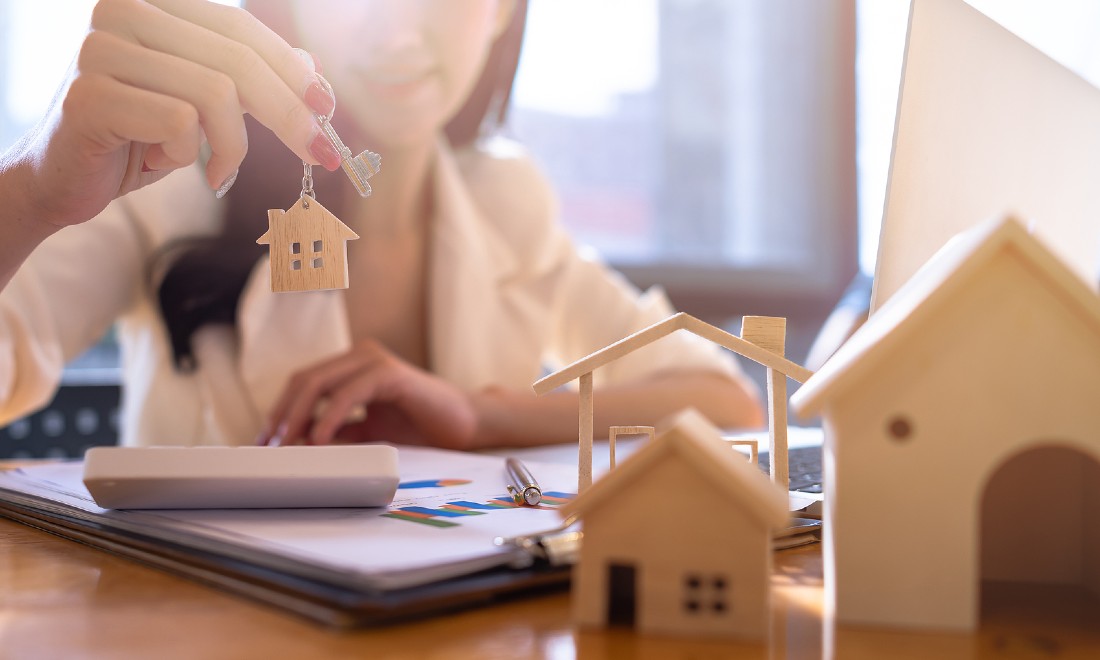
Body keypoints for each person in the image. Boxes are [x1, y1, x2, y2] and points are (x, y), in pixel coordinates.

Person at [0, 0, 763, 450]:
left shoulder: (504, 206)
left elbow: (724, 404)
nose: (397, 29)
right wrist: (31, 191)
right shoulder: (167, 175)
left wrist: (480, 415)